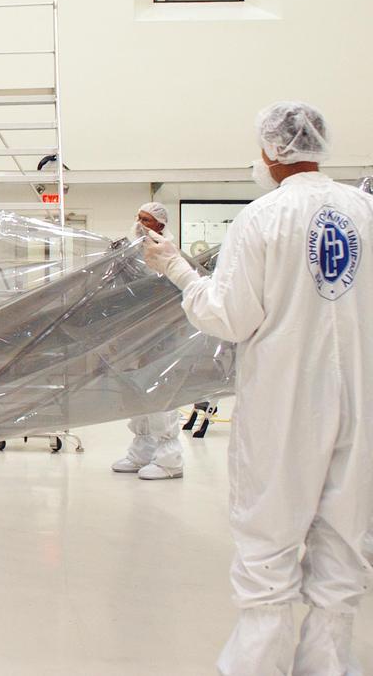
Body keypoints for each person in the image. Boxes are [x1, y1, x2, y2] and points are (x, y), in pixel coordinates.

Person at [143, 102, 373, 675]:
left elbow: (230, 318)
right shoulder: (365, 212)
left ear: (273, 152)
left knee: (268, 545)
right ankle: (328, 665)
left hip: (285, 406)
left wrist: (174, 266)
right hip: (361, 405)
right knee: (345, 547)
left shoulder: (263, 218)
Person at [110, 203, 184, 480]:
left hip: (161, 335)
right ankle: (141, 452)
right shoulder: (131, 252)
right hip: (134, 335)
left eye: (146, 219)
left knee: (161, 394)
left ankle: (170, 459)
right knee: (136, 393)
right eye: (138, 217)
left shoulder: (167, 252)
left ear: (160, 225)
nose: (139, 223)